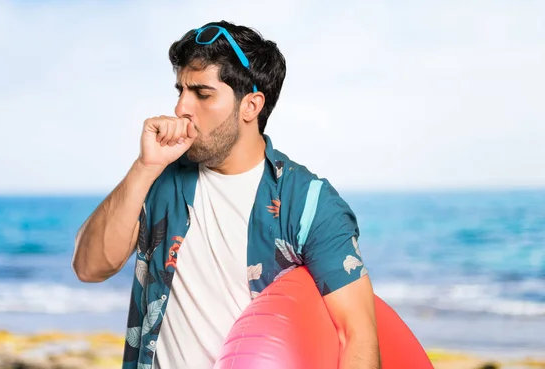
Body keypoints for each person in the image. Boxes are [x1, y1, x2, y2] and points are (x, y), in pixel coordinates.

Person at [72, 20, 380, 369]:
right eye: (180, 91)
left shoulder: (309, 202)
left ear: (251, 106)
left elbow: (356, 334)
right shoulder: (159, 179)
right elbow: (89, 267)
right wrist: (144, 167)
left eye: (202, 94)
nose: (181, 108)